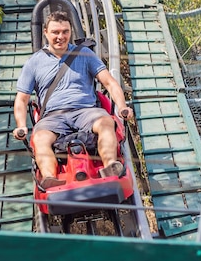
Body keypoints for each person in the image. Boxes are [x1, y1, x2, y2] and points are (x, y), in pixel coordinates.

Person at [12, 10, 134, 190]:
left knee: (106, 122)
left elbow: (109, 82)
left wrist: (122, 107)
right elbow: (21, 100)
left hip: (86, 111)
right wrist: (21, 125)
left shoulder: (84, 54)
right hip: (53, 116)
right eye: (55, 32)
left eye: (65, 32)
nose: (60, 37)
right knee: (40, 137)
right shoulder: (34, 62)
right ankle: (49, 177)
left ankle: (110, 166)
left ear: (70, 32)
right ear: (45, 32)